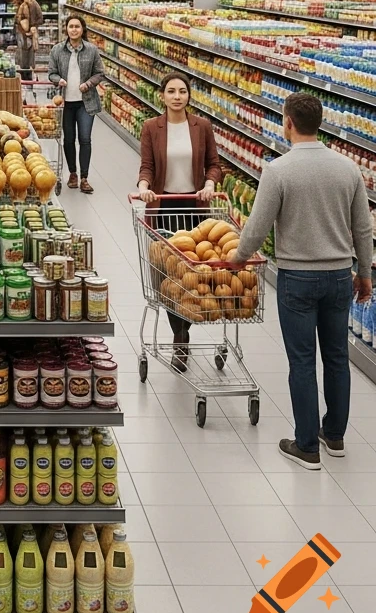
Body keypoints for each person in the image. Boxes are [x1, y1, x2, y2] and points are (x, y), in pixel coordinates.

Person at [232, 92, 373, 469]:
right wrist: (364, 273)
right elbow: (363, 228)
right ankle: (335, 435)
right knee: (337, 357)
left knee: (302, 361)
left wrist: (237, 259)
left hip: (297, 278)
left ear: (288, 123)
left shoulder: (279, 170)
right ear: (320, 123)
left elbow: (257, 227)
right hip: (339, 276)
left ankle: (307, 445)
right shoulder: (348, 169)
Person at [137, 71, 221, 371]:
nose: (177, 96)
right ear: (162, 95)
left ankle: (184, 328)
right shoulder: (152, 127)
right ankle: (180, 337)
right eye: (171, 91)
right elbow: (147, 166)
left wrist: (209, 183)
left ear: (188, 96)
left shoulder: (202, 127)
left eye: (182, 91)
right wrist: (144, 187)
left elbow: (214, 165)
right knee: (169, 277)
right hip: (164, 208)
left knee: (193, 275)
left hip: (194, 208)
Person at [47, 14, 104, 193]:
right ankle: (73, 173)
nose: (74, 30)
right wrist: (59, 80)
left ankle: (84, 177)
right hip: (65, 103)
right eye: (71, 26)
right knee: (69, 139)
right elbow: (51, 73)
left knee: (85, 139)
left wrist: (88, 84)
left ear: (82, 29)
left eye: (77, 26)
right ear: (66, 29)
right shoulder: (57, 50)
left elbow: (100, 73)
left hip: (86, 102)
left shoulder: (91, 50)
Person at [14, 0, 43, 80]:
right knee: (22, 58)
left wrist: (33, 26)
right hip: (22, 34)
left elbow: (40, 18)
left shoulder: (33, 4)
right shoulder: (22, 5)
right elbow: (18, 19)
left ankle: (28, 79)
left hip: (29, 35)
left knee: (29, 58)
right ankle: (24, 78)